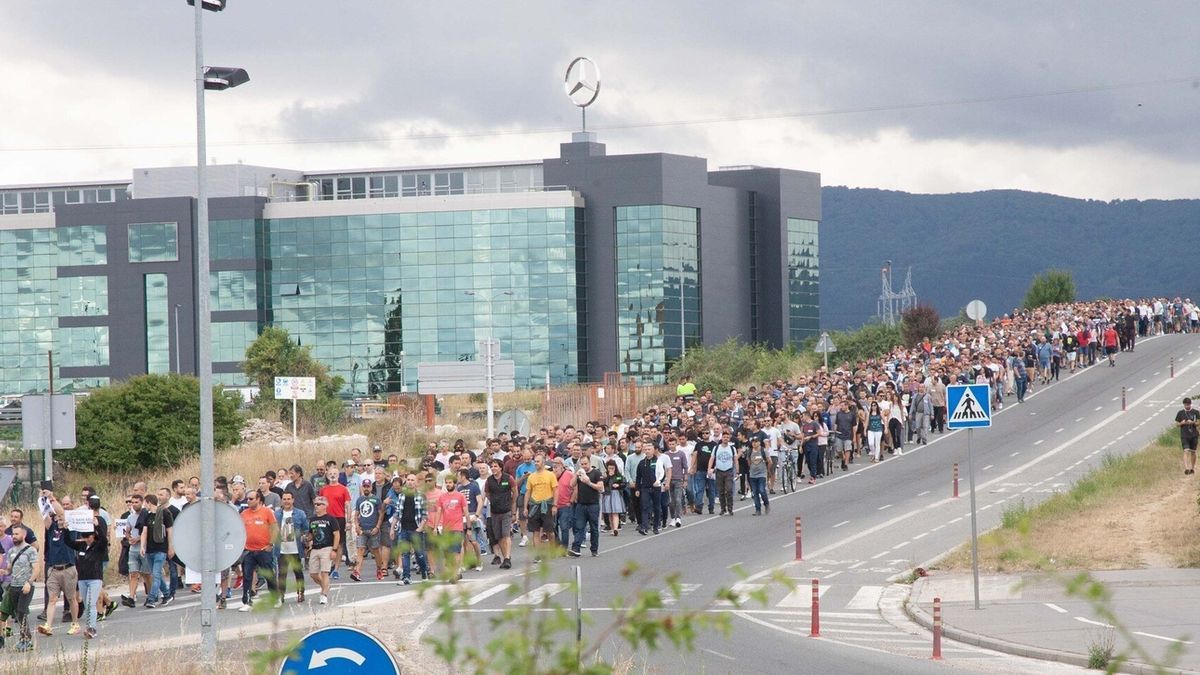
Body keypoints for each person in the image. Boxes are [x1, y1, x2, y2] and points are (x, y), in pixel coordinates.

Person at [38, 496, 80, 635]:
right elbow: (45, 515)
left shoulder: (71, 528)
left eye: (60, 517)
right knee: (52, 598)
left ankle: (75, 623)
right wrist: (43, 499)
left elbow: (62, 513)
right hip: (54, 568)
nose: (59, 519)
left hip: (68, 567)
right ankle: (48, 625)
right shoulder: (51, 528)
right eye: (57, 517)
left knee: (71, 597)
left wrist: (51, 497)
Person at [66, 509, 107, 639]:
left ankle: (92, 627)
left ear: (93, 536)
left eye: (88, 537)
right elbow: (69, 543)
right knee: (85, 601)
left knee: (91, 603)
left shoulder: (98, 546)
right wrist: (67, 530)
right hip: (83, 578)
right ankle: (89, 626)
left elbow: (104, 540)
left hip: (95, 578)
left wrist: (97, 526)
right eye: (84, 537)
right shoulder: (82, 546)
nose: (86, 539)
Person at [0, 525, 39, 651]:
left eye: (17, 534)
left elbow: (36, 569)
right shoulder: (11, 551)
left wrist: (29, 582)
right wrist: (4, 572)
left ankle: (26, 639)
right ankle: (15, 639)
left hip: (25, 586)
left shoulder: (30, 550)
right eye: (13, 534)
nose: (14, 536)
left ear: (24, 535)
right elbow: (9, 570)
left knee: (21, 612)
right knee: (10, 613)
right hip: (13, 586)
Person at [238, 490, 278, 611]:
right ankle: (247, 601)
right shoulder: (244, 514)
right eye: (247, 499)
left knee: (268, 575)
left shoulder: (267, 512)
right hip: (248, 550)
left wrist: (271, 544)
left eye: (251, 499)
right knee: (247, 576)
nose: (248, 501)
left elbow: (275, 528)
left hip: (263, 549)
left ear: (258, 499)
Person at [391, 473, 430, 585]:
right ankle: (406, 577)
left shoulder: (421, 496)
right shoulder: (402, 496)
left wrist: (420, 527)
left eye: (412, 480)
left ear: (416, 482)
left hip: (416, 529)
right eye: (408, 480)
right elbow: (397, 513)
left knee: (419, 554)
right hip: (403, 529)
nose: (410, 482)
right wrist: (392, 528)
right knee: (405, 554)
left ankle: (424, 572)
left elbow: (424, 514)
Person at [137, 493, 174, 609]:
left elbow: (170, 531)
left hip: (160, 549)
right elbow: (144, 532)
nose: (144, 506)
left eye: (145, 503)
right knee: (156, 574)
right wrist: (142, 546)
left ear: (149, 502)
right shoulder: (147, 516)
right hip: (150, 549)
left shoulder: (165, 513)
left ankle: (151, 598)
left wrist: (170, 547)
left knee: (156, 574)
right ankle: (167, 594)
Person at [318, 468, 352, 579]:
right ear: (327, 476)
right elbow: (319, 503)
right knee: (326, 544)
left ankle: (336, 569)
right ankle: (328, 567)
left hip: (339, 518)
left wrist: (348, 521)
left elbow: (348, 505)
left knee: (339, 544)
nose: (333, 476)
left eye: (335, 474)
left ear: (338, 475)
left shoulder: (343, 489)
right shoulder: (323, 489)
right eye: (331, 474)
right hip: (326, 518)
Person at [274, 492, 308, 603]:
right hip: (282, 548)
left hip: (296, 548)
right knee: (282, 574)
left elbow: (306, 529)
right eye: (284, 499)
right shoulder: (277, 514)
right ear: (282, 501)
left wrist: (304, 538)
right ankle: (281, 595)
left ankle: (300, 592)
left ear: (293, 500)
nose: (287, 501)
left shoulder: (300, 514)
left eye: (289, 499)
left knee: (298, 572)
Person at [523, 459, 558, 561]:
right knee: (535, 531)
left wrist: (555, 505)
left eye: (538, 461)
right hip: (535, 505)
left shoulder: (550, 475)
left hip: (547, 504)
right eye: (535, 462)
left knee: (549, 531)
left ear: (543, 463)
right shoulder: (532, 476)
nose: (536, 463)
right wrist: (525, 507)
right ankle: (537, 555)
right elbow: (528, 492)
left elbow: (555, 490)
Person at [350, 478, 384, 582]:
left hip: (373, 528)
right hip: (362, 529)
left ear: (371, 487)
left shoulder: (376, 499)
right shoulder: (359, 500)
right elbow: (356, 514)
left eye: (368, 486)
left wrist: (377, 527)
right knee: (360, 549)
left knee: (376, 550)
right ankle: (357, 571)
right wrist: (356, 525)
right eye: (364, 486)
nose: (366, 488)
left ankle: (379, 569)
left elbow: (381, 514)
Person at [569, 456, 603, 557]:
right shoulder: (580, 473)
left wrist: (588, 482)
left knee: (593, 528)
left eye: (585, 464)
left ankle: (594, 549)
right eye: (582, 464)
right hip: (581, 504)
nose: (584, 466)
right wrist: (576, 475)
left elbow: (600, 487)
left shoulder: (596, 473)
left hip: (593, 504)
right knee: (579, 527)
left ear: (589, 462)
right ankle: (576, 548)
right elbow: (571, 485)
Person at [484, 461, 516, 570]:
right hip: (495, 512)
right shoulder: (489, 481)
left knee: (506, 534)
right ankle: (505, 557)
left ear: (501, 468)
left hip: (506, 511)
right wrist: (495, 501)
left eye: (495, 466)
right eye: (491, 466)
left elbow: (515, 493)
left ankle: (507, 558)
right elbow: (487, 495)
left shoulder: (508, 478)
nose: (493, 468)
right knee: (499, 536)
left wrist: (513, 509)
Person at [307, 497, 338, 606]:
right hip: (315, 547)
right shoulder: (312, 519)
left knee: (325, 572)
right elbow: (311, 534)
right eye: (315, 504)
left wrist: (334, 549)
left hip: (327, 547)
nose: (316, 506)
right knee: (313, 573)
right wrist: (307, 538)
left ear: (325, 506)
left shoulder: (330, 519)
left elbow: (336, 534)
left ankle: (324, 594)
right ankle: (325, 586)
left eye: (319, 504)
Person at [712, 431, 737, 516]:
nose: (725, 438)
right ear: (721, 438)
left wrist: (737, 471)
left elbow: (735, 460)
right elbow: (712, 459)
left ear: (729, 438)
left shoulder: (732, 449)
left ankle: (730, 508)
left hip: (729, 471)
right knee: (721, 491)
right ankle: (723, 508)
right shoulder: (716, 448)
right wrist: (709, 468)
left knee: (729, 489)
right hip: (719, 471)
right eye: (724, 437)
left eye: (727, 437)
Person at [600, 460, 626, 535]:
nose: (611, 470)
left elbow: (624, 483)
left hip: (616, 494)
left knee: (615, 512)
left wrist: (619, 485)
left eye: (612, 468)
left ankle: (615, 528)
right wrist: (609, 476)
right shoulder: (605, 475)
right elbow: (603, 483)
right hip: (607, 494)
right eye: (609, 468)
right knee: (609, 513)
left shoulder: (618, 475)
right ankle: (612, 528)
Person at [747, 438, 770, 515]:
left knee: (761, 490)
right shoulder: (750, 451)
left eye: (756, 442)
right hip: (753, 475)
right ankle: (758, 509)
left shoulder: (763, 451)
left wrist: (767, 470)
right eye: (753, 442)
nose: (754, 443)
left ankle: (766, 503)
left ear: (759, 443)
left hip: (762, 474)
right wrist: (751, 469)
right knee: (755, 492)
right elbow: (749, 461)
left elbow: (769, 461)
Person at [1176, 397, 1199, 476]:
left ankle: (1192, 468)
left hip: (1194, 434)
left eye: (1188, 404)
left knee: (1193, 452)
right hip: (1184, 435)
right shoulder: (1180, 413)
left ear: (1190, 404)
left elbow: (1198, 423)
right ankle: (1186, 468)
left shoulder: (1195, 412)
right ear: (1183, 405)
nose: (1187, 406)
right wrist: (1182, 423)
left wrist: (1192, 422)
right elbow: (1177, 424)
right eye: (1186, 405)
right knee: (1186, 450)